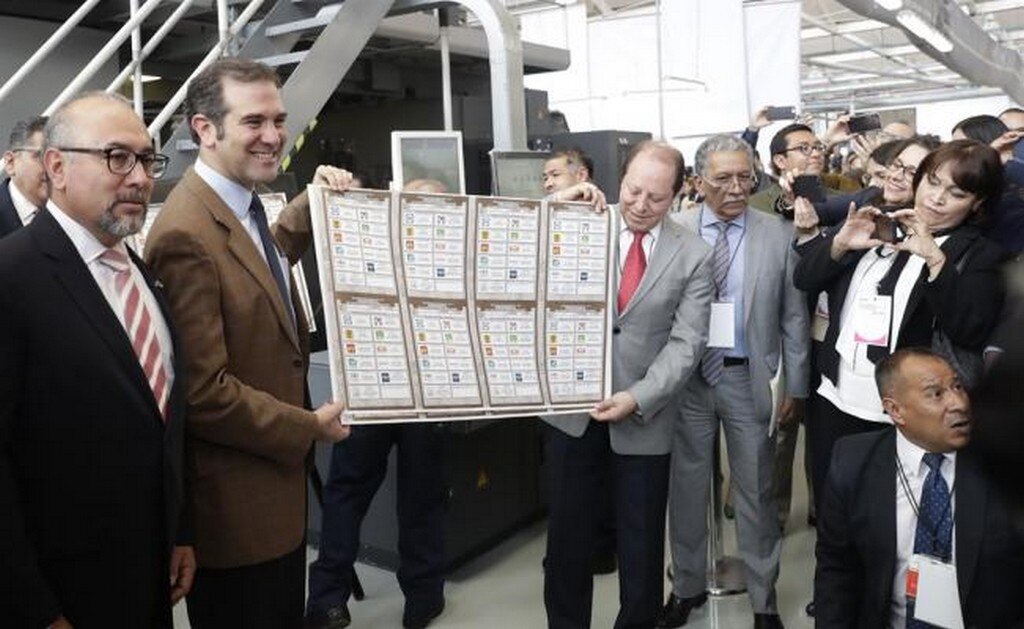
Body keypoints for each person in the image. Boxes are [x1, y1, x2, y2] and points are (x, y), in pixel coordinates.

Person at [144, 58, 351, 629]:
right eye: (253, 121)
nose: (273, 136)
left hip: (270, 499)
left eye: (279, 120)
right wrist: (309, 426)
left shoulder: (241, 206)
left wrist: (303, 212)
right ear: (204, 130)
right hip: (237, 514)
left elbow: (254, 270)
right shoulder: (185, 232)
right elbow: (204, 392)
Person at [0, 92, 193, 628]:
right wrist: (33, 606)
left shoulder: (143, 273)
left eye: (147, 160)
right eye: (116, 157)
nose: (139, 177)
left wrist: (180, 533)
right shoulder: (12, 277)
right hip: (61, 593)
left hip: (148, 574)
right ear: (56, 167)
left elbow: (164, 422)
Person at [793, 139, 1008, 540]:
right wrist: (840, 243)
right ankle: (835, 599)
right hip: (837, 396)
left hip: (904, 412)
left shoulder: (977, 255)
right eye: (932, 182)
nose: (937, 198)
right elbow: (805, 277)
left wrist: (935, 259)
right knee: (833, 509)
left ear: (977, 203)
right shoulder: (877, 224)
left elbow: (969, 328)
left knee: (892, 525)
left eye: (956, 193)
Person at [544, 140, 713, 629]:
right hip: (570, 413)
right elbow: (508, 242)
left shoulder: (695, 255)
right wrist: (558, 202)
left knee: (640, 549)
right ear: (620, 181)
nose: (641, 206)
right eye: (633, 191)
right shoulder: (579, 221)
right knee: (567, 543)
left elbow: (687, 343)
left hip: (644, 418)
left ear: (680, 194)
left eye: (656, 198)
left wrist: (638, 397)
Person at [662, 135, 808, 629]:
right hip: (688, 384)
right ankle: (685, 588)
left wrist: (796, 386)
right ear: (698, 181)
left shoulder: (776, 233)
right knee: (685, 490)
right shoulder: (674, 230)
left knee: (757, 491)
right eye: (722, 178)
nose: (736, 187)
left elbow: (793, 317)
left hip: (749, 378)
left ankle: (765, 602)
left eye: (745, 176)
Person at [305, 177, 450, 629]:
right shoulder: (431, 261)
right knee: (377, 495)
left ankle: (335, 599)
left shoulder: (379, 254)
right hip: (378, 390)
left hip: (416, 394)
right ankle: (411, 597)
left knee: (378, 494)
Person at [815, 348, 1024, 627]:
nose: (959, 403)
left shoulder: (1002, 464)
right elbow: (837, 570)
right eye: (936, 394)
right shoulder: (852, 464)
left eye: (957, 386)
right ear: (895, 409)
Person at [1, 115, 48, 236]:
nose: (54, 168)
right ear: (11, 163)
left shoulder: (79, 215)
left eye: (60, 158)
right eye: (41, 156)